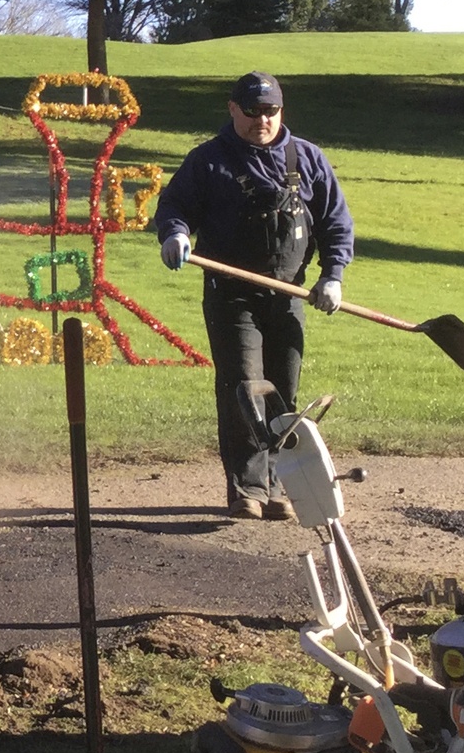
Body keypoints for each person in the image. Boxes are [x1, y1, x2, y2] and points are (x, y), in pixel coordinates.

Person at [151, 71, 354, 520]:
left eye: (270, 110)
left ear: (281, 110)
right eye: (251, 111)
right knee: (244, 387)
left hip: (289, 294)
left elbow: (336, 222)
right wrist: (175, 234)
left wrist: (333, 276)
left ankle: (279, 485)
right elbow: (174, 207)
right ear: (232, 109)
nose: (262, 119)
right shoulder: (208, 161)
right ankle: (248, 488)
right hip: (232, 296)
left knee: (283, 391)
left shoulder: (308, 158)